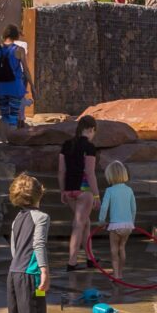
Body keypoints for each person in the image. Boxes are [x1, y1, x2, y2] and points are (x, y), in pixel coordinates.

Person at [7, 173, 50, 313]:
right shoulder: (41, 217)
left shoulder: (17, 218)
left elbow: (14, 247)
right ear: (39, 194)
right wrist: (44, 271)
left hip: (14, 273)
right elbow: (39, 244)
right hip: (31, 275)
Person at [59, 115, 99, 270]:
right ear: (91, 129)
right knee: (78, 224)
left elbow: (61, 170)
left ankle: (90, 258)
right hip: (84, 190)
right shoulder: (89, 147)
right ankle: (72, 262)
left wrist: (62, 190)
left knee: (85, 222)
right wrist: (96, 195)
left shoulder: (67, 145)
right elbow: (89, 172)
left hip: (69, 190)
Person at [96, 160, 137, 284]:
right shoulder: (129, 190)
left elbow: (104, 207)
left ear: (110, 176)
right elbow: (134, 208)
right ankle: (121, 272)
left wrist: (101, 221)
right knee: (122, 248)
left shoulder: (110, 191)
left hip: (115, 226)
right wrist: (132, 222)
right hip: (128, 225)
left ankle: (116, 275)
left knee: (114, 250)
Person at [0, 23, 30, 126]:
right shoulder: (19, 50)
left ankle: (4, 140)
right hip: (15, 88)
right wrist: (33, 87)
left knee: (5, 117)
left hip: (0, 87)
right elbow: (26, 70)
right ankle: (11, 138)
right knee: (13, 118)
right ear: (16, 35)